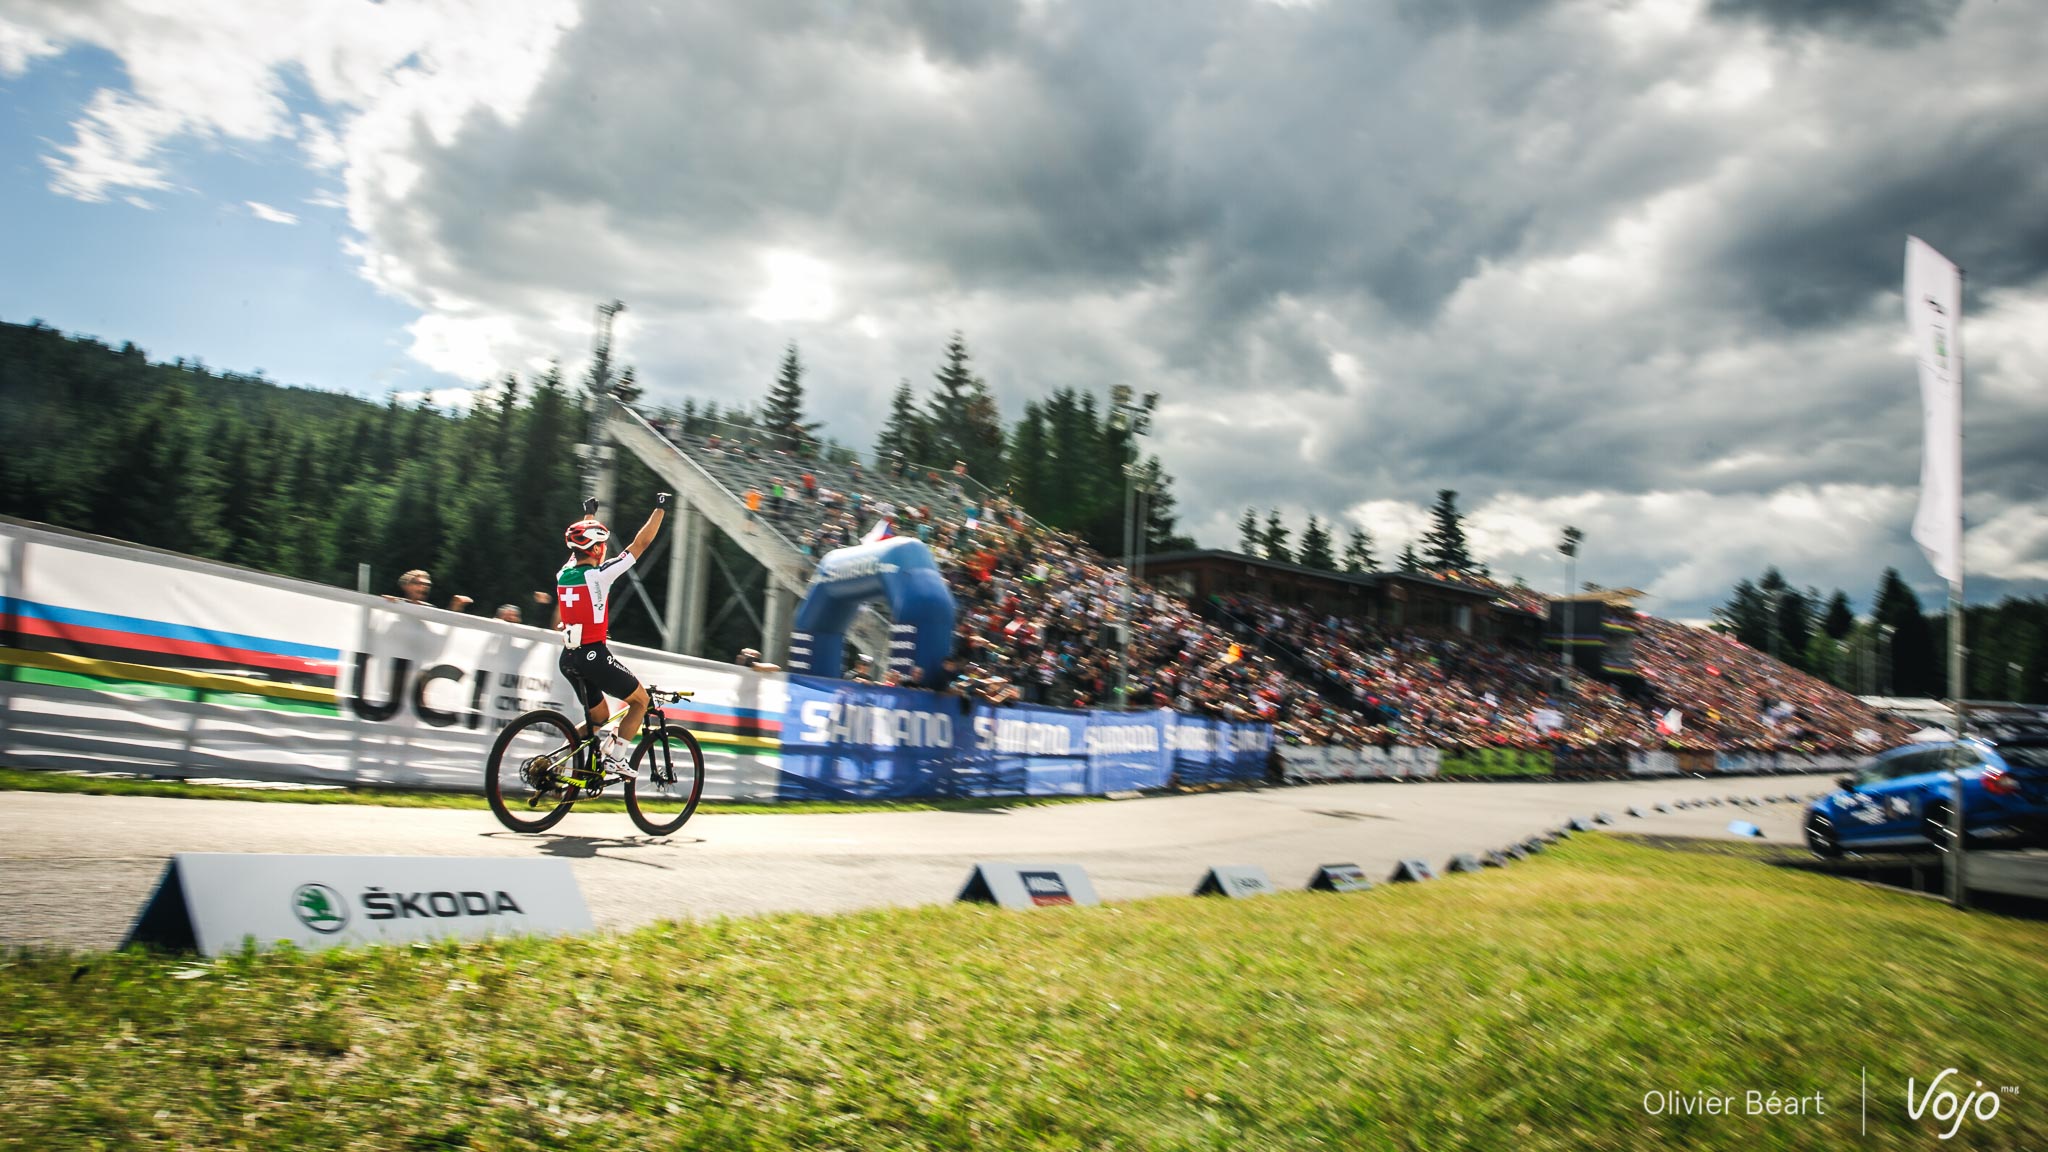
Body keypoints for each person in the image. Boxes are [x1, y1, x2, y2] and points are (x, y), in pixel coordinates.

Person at [556, 493, 669, 778]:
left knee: (600, 718)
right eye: (602, 546)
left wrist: (589, 515)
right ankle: (617, 758)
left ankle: (556, 764)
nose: (605, 550)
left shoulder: (564, 572)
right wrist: (660, 509)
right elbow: (640, 544)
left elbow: (578, 547)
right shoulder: (600, 575)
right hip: (593, 656)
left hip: (568, 657)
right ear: (595, 550)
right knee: (640, 701)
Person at [387, 569, 472, 613]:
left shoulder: (430, 610)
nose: (423, 587)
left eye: (426, 584)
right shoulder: (394, 604)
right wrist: (387, 603)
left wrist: (456, 606)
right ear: (406, 586)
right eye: (417, 583)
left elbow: (444, 624)